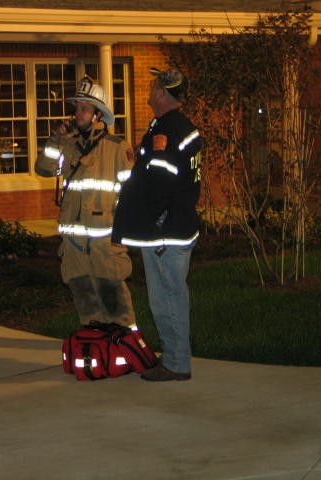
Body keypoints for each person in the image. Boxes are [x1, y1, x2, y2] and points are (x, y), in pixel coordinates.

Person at [112, 67, 203, 382]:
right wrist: (143, 155)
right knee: (170, 294)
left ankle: (177, 363)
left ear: (163, 94)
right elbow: (172, 171)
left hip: (166, 231)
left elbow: (161, 182)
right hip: (178, 224)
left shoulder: (166, 129)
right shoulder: (180, 127)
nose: (149, 92)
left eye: (153, 88)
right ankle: (174, 356)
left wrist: (149, 220)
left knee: (166, 297)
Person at [35, 76, 137, 328]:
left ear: (98, 115)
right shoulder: (67, 145)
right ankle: (95, 345)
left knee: (114, 299)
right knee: (85, 299)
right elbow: (44, 169)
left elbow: (132, 194)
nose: (77, 113)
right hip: (73, 243)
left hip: (105, 243)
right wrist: (56, 141)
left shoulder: (117, 148)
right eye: (77, 108)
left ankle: (126, 344)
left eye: (84, 108)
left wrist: (123, 233)